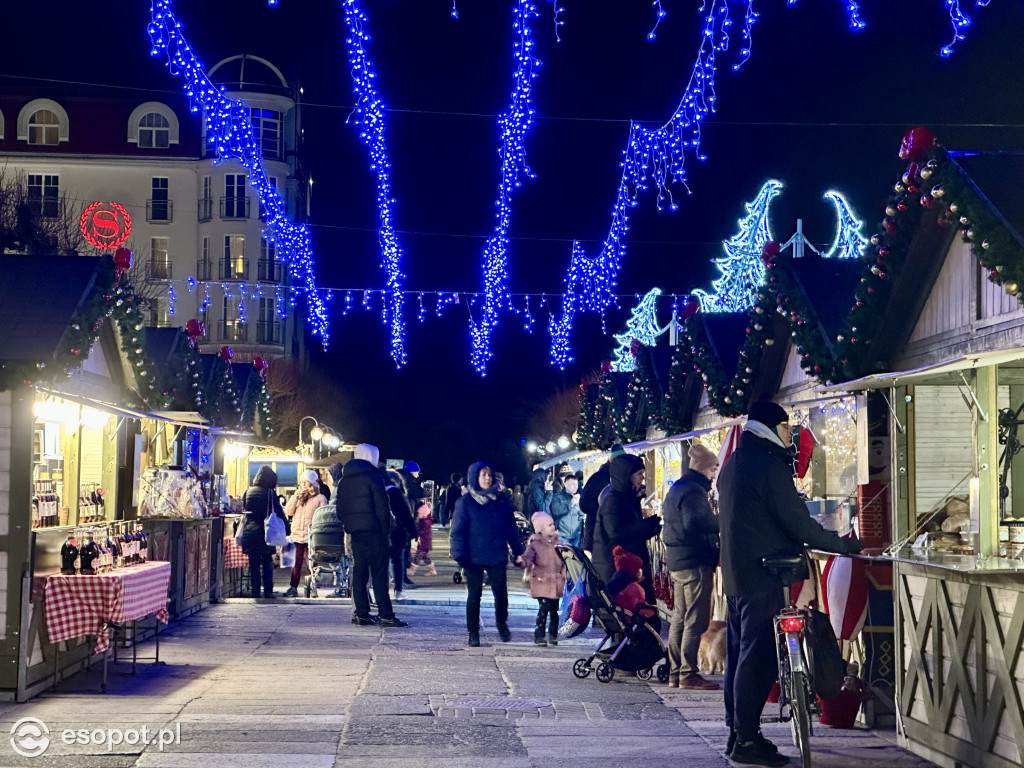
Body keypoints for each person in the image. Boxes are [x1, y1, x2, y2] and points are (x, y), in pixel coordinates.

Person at [719, 401, 863, 767]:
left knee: (740, 654)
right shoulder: (767, 465)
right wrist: (844, 545)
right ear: (774, 428)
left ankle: (738, 732)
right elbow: (797, 523)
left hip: (739, 574)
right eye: (787, 428)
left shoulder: (736, 461)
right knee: (759, 656)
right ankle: (747, 741)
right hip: (765, 574)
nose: (790, 435)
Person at [662, 443, 721, 690]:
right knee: (695, 619)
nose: (715, 473)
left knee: (679, 618)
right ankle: (688, 673)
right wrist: (722, 522)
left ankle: (675, 672)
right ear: (703, 468)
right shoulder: (694, 492)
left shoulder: (678, 488)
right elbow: (696, 522)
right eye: (713, 468)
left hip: (678, 560)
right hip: (694, 560)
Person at [450, 461, 524, 647]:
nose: (487, 478)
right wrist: (459, 555)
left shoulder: (500, 500)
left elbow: (510, 528)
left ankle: (501, 623)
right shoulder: (465, 502)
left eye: (489, 475)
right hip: (472, 556)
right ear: (474, 477)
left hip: (496, 553)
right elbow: (457, 530)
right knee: (474, 596)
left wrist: (517, 551)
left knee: (501, 593)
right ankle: (473, 632)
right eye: (483, 475)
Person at [336, 444, 408, 627]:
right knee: (379, 574)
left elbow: (339, 509)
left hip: (355, 533)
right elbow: (382, 507)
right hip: (375, 532)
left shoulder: (344, 480)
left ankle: (361, 614)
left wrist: (348, 525)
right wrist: (385, 532)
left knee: (359, 573)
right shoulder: (374, 477)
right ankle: (385, 614)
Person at [592, 453, 661, 603]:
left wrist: (650, 528)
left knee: (643, 616)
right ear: (627, 476)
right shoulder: (614, 500)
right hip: (619, 571)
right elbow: (617, 532)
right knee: (638, 616)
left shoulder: (627, 498)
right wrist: (646, 525)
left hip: (626, 569)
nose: (643, 477)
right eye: (639, 473)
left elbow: (629, 531)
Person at [239, 465, 288, 599]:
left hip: (250, 532)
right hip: (266, 533)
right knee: (267, 562)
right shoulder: (270, 494)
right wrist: (286, 527)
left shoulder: (247, 492)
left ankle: (255, 592)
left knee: (254, 564)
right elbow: (278, 512)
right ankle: (268, 591)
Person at [520, 511, 566, 646]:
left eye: (553, 524)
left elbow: (565, 561)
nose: (553, 527)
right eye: (549, 525)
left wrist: (564, 573)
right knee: (543, 608)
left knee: (555, 610)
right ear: (541, 529)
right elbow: (527, 559)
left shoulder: (560, 543)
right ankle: (539, 635)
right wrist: (520, 562)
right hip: (542, 581)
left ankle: (553, 634)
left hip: (556, 582)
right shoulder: (535, 544)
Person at [283, 470, 327, 597]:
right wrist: (295, 497)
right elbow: (289, 512)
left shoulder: (320, 498)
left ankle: (312, 586)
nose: (303, 484)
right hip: (297, 534)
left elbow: (322, 516)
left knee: (311, 562)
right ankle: (293, 586)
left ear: (312, 483)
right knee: (295, 563)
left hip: (311, 535)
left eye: (306, 481)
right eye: (301, 482)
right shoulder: (298, 497)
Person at [580, 443, 625, 551]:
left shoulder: (618, 478)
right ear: (611, 461)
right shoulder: (600, 478)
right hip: (597, 535)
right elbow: (584, 504)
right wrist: (604, 510)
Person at [385, 469, 418, 600]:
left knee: (384, 562)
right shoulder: (397, 493)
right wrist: (413, 531)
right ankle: (398, 589)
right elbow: (406, 514)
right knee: (397, 560)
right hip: (397, 532)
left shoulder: (379, 492)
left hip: (383, 532)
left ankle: (383, 590)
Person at [550, 470, 583, 548]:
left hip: (576, 535)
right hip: (562, 535)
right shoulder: (557, 497)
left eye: (576, 484)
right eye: (572, 484)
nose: (575, 487)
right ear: (565, 484)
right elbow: (556, 512)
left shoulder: (578, 497)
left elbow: (581, 514)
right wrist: (570, 504)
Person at [408, 501, 437, 577]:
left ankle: (412, 570)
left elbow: (422, 532)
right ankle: (433, 570)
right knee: (425, 557)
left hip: (424, 543)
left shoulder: (424, 522)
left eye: (419, 513)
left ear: (424, 514)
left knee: (417, 557)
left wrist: (417, 534)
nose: (418, 514)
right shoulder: (425, 521)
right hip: (425, 543)